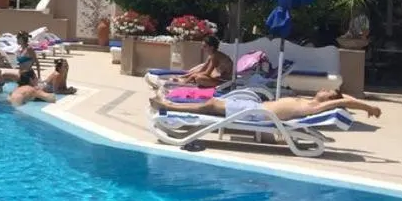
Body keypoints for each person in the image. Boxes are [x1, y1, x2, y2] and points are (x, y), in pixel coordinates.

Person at [150, 88, 383, 120]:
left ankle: (168, 106)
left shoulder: (316, 107)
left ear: (330, 100)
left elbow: (344, 100)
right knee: (212, 101)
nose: (322, 91)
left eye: (327, 92)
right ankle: (169, 101)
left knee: (211, 105)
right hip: (257, 109)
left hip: (259, 114)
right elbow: (342, 99)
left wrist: (369, 107)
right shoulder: (310, 101)